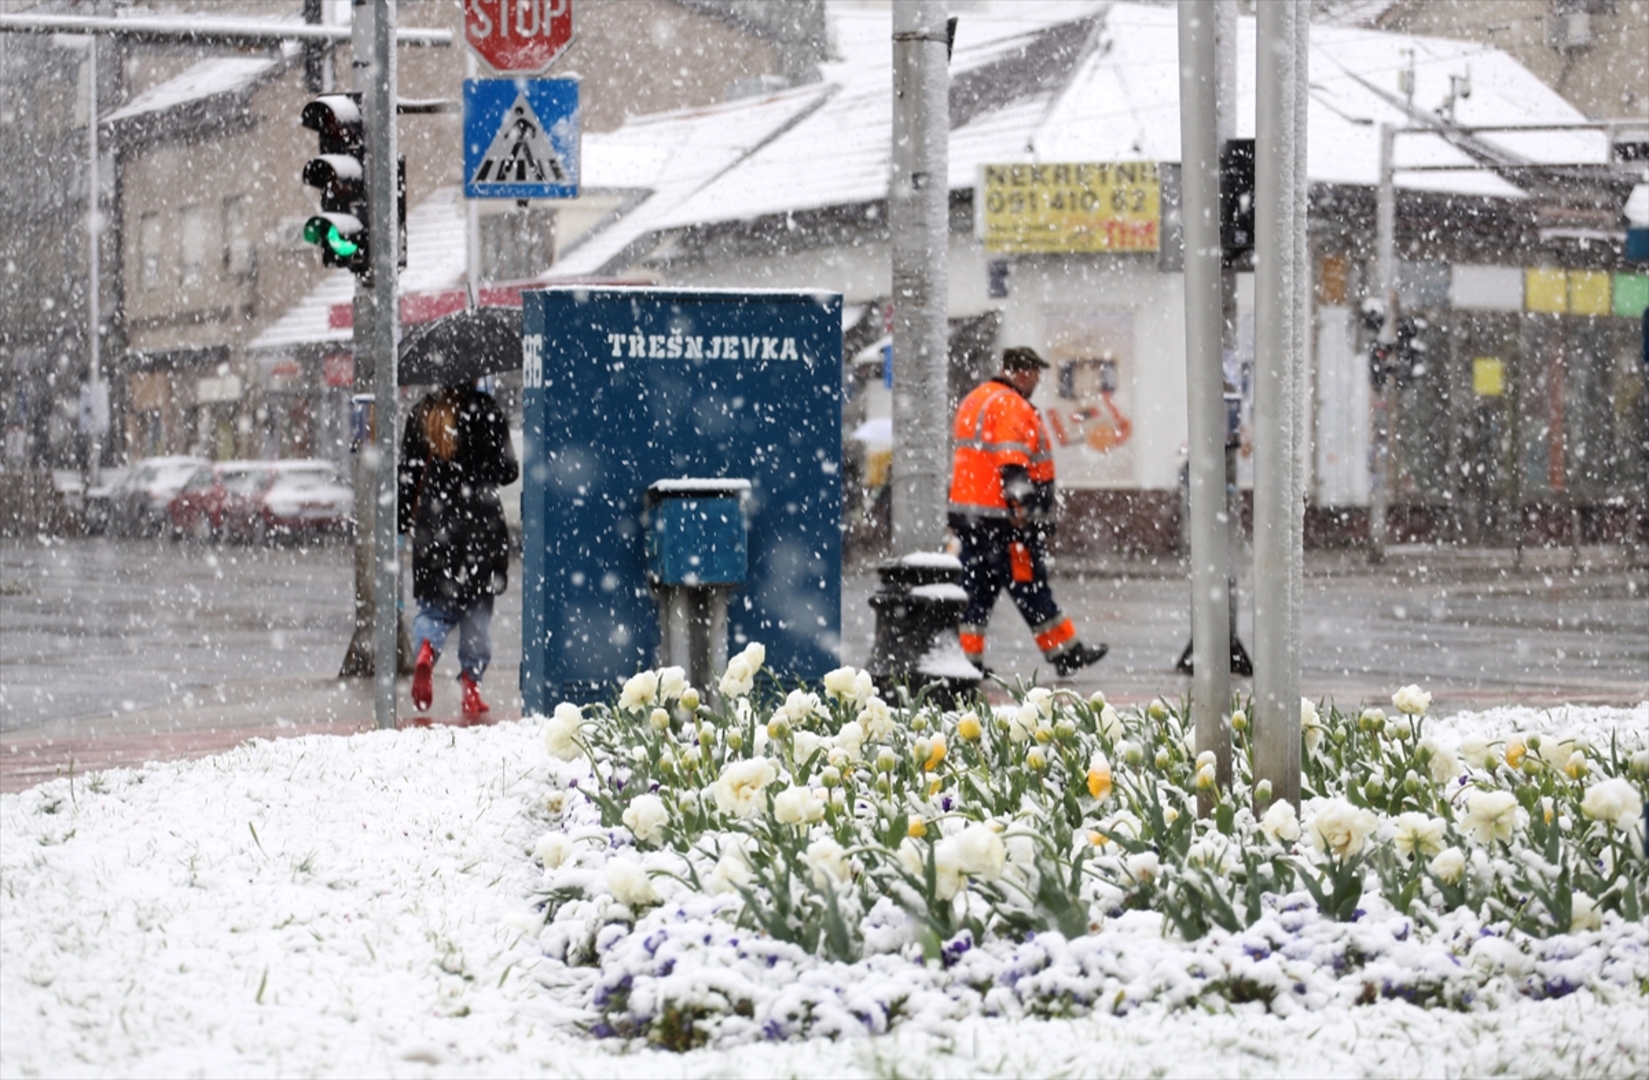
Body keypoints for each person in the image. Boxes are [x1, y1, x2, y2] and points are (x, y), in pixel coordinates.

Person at [949, 346, 1108, 678]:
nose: (1037, 380)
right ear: (1022, 372)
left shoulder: (975, 399)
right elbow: (1012, 460)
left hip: (970, 517)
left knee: (975, 592)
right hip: (1006, 522)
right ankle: (1065, 652)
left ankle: (966, 662)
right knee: (1030, 586)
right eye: (1036, 373)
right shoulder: (1012, 405)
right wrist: (1025, 507)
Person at [397, 380, 520, 719]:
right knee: (476, 613)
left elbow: (408, 474)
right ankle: (471, 686)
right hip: (481, 526)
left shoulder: (423, 412)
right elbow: (509, 471)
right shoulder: (487, 411)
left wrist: (400, 521)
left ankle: (426, 647)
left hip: (434, 529)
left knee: (434, 609)